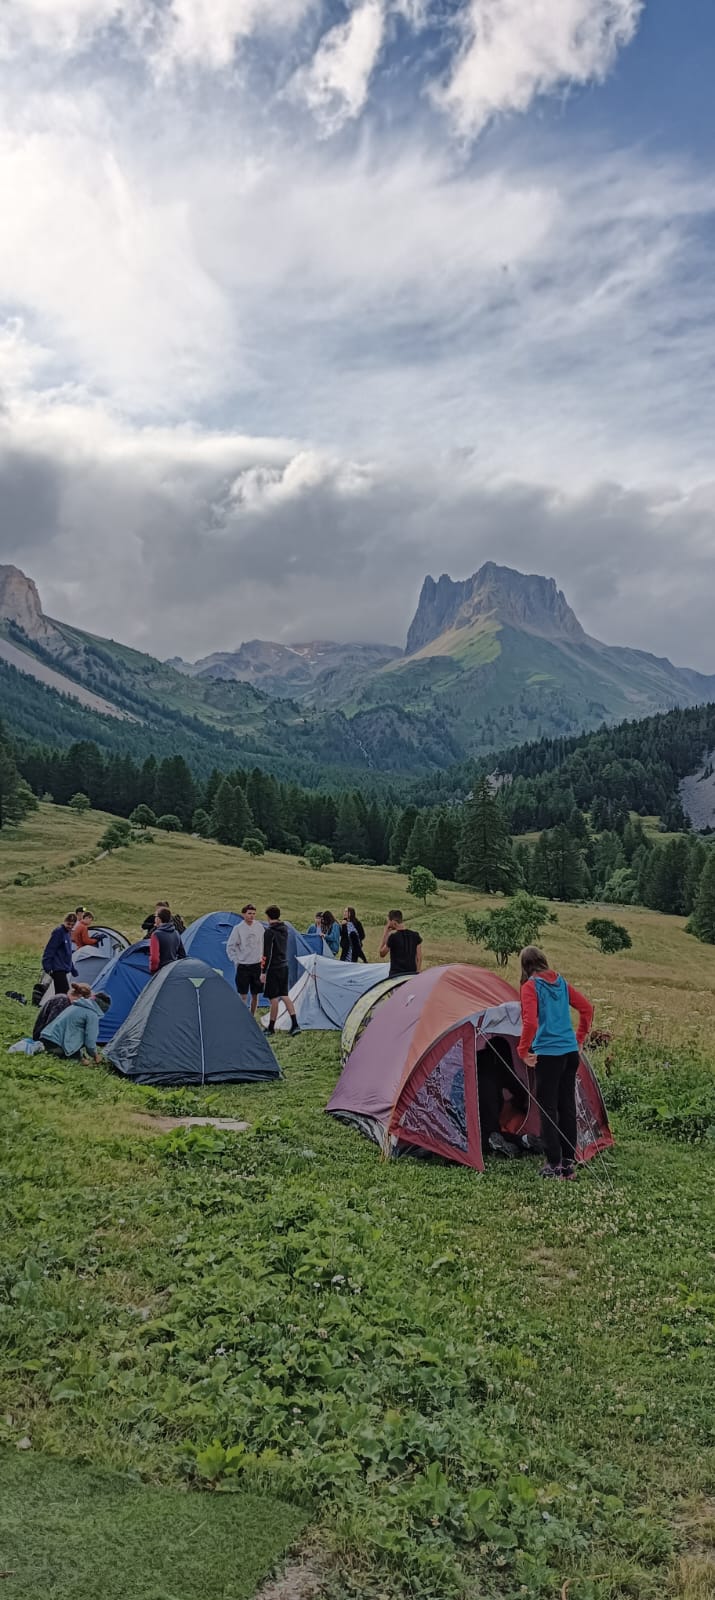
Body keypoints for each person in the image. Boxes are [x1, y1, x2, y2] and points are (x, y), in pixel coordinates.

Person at [518, 946, 594, 1180]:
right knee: (567, 1106)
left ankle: (553, 1164)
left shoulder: (530, 986)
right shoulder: (561, 982)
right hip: (570, 1053)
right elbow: (587, 1009)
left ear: (525, 966)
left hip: (549, 1054)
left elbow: (530, 1023)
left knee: (548, 1108)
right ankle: (568, 1163)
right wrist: (578, 1039)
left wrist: (523, 1050)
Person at [477, 1036, 529, 1160]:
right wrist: (523, 1104)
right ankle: (523, 1140)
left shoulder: (477, 1058)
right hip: (490, 1102)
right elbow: (516, 1087)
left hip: (463, 1105)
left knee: (475, 1133)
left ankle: (493, 1140)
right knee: (492, 1131)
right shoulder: (501, 1062)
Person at [40, 986, 111, 1061]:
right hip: (56, 1044)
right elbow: (90, 1040)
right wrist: (95, 1055)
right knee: (86, 1063)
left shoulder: (75, 1005)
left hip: (45, 1038)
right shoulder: (92, 1015)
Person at [262, 906, 300, 1035]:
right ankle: (295, 1024)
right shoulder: (285, 929)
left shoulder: (269, 932)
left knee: (273, 998)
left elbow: (266, 954)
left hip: (273, 967)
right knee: (284, 995)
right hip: (284, 965)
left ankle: (271, 1027)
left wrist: (263, 971)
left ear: (268, 917)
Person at [226, 904, 264, 1015]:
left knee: (255, 994)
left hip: (256, 964)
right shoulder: (238, 929)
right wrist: (235, 960)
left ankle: (252, 1015)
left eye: (253, 914)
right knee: (243, 994)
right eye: (249, 913)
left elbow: (263, 942)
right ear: (244, 914)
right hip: (243, 965)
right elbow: (230, 946)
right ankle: (243, 1016)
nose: (251, 916)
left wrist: (262, 959)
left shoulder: (259, 927)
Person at [41, 914, 78, 995]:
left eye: (72, 925)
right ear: (64, 921)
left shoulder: (68, 933)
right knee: (63, 994)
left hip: (64, 968)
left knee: (62, 994)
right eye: (68, 924)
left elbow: (68, 953)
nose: (70, 926)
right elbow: (50, 949)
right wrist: (47, 967)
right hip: (57, 968)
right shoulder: (58, 932)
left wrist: (72, 969)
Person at [379, 910, 422, 978]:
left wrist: (385, 933)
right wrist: (416, 974)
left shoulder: (393, 937)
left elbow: (382, 953)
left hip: (396, 976)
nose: (388, 924)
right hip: (411, 975)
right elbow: (419, 958)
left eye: (388, 922)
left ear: (394, 922)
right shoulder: (415, 935)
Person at [149, 907, 186, 974]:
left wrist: (153, 970)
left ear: (159, 919)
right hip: (172, 971)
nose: (154, 919)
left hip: (160, 972)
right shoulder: (176, 933)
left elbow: (154, 959)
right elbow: (182, 955)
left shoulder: (156, 934)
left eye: (155, 916)